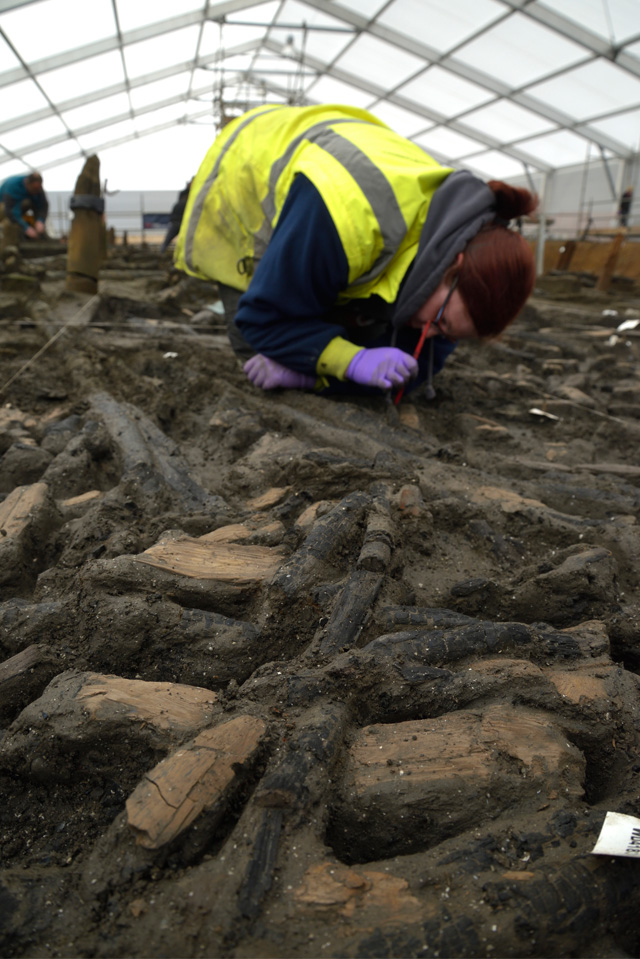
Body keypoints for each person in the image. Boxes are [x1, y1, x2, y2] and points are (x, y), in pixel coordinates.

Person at [175, 104, 537, 398]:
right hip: (247, 174)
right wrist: (350, 362)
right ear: (454, 267)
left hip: (337, 189)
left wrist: (315, 375)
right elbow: (264, 321)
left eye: (451, 334)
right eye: (441, 323)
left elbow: (420, 365)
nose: (435, 335)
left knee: (356, 335)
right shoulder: (343, 217)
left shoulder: (456, 248)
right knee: (262, 356)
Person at [0, 171, 48, 239]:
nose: (36, 191)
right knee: (9, 224)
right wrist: (26, 228)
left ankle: (33, 229)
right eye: (34, 189)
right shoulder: (12, 186)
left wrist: (40, 220)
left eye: (38, 189)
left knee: (28, 204)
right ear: (27, 183)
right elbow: (10, 212)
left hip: (23, 211)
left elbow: (43, 205)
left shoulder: (38, 189)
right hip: (6, 209)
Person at [161, 178, 193, 253]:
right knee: (186, 242)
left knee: (167, 241)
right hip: (181, 224)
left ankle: (162, 252)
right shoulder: (186, 204)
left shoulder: (178, 204)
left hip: (177, 223)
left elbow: (172, 216)